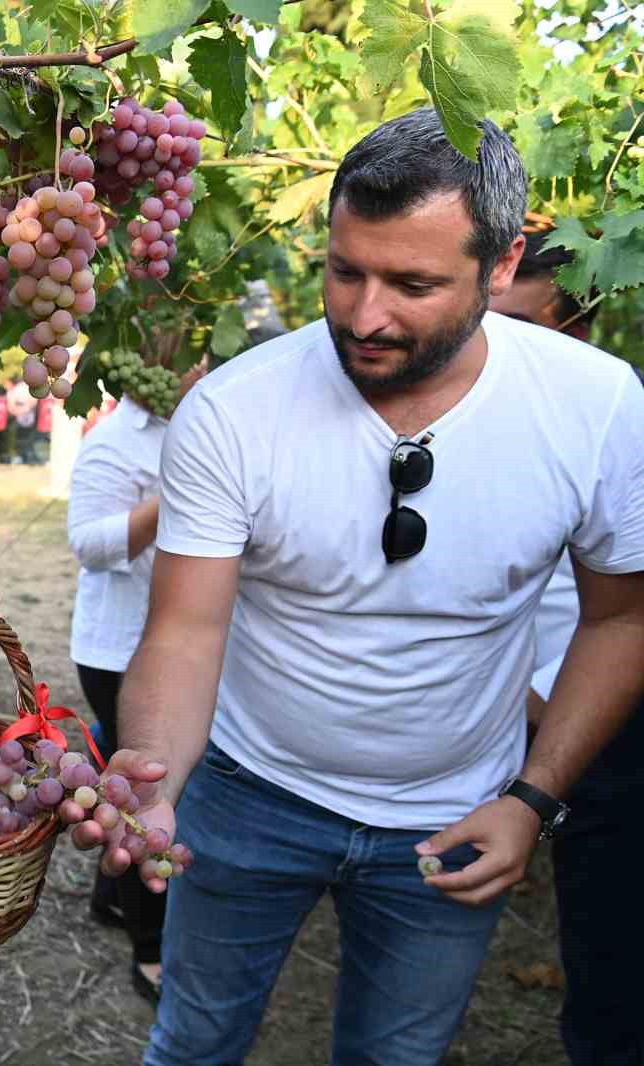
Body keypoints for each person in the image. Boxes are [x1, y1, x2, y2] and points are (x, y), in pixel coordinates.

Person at [95, 108, 644, 1066]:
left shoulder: (597, 408)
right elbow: (184, 633)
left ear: (504, 265)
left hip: (455, 819)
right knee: (192, 1043)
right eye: (345, 270)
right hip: (246, 795)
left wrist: (533, 800)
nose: (364, 315)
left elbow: (621, 619)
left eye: (413, 283)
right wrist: (152, 779)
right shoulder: (235, 410)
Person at [489, 230, 643, 1066]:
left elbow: (625, 607)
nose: (492, 343)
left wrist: (542, 699)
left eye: (516, 324)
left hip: (603, 728)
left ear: (574, 322)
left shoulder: (616, 414)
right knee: (604, 969)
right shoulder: (473, 412)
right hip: (557, 733)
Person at [67, 358, 205, 1005]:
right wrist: (170, 496)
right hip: (118, 649)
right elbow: (89, 544)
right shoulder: (113, 441)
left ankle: (110, 897)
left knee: (141, 784)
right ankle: (150, 948)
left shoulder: (206, 424)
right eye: (191, 356)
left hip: (176, 642)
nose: (201, 367)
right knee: (140, 795)